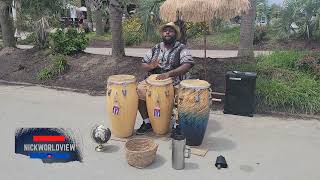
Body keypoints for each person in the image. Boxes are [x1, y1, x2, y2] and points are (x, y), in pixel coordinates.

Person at [136, 22, 194, 135]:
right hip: (153, 80)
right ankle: (147, 122)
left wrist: (169, 74)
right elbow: (143, 64)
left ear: (175, 34)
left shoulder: (181, 48)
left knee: (183, 96)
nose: (167, 32)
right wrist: (150, 66)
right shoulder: (156, 48)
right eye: (165, 30)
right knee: (139, 90)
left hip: (175, 80)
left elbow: (187, 64)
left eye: (170, 30)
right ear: (162, 34)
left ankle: (178, 125)